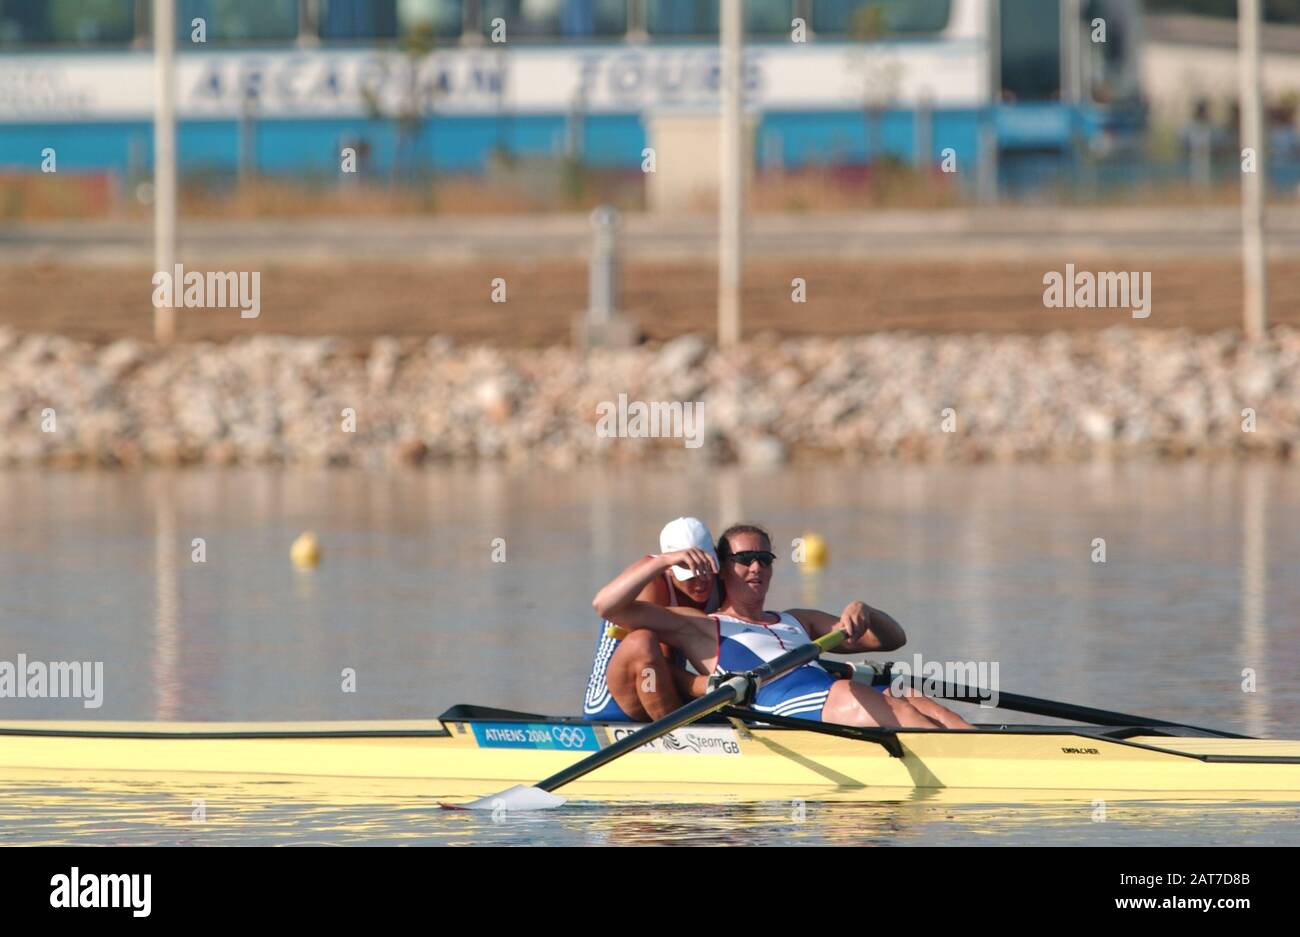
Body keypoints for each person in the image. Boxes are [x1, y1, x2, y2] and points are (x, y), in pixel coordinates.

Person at [598, 523, 973, 729]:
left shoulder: (799, 619)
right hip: (782, 707)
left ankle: (979, 749)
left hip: (829, 698)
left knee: (914, 698)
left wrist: (867, 611)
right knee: (860, 694)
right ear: (721, 567)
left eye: (764, 558)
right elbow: (608, 606)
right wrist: (662, 560)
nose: (756, 567)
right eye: (744, 559)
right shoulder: (700, 626)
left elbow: (893, 639)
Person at [582, 517, 719, 721]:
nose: (700, 582)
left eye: (706, 571)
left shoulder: (721, 581)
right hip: (616, 699)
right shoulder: (652, 586)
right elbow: (661, 666)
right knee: (643, 643)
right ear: (670, 568)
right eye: (689, 576)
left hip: (667, 691)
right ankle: (678, 738)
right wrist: (705, 685)